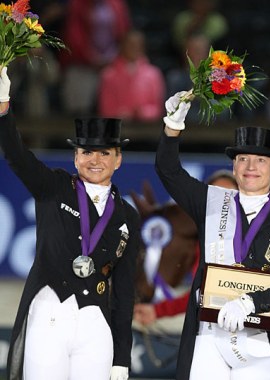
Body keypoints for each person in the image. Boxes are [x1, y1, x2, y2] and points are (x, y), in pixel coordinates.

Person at [155, 92, 270, 379]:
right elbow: (168, 171)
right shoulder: (210, 203)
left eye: (260, 161)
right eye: (243, 159)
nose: (251, 167)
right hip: (210, 335)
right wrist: (173, 125)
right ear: (234, 165)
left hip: (262, 341)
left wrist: (251, 302)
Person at [0, 67, 140, 380]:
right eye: (87, 151)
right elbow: (17, 156)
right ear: (75, 157)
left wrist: (122, 356)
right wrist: (3, 109)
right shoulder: (55, 187)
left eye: (105, 152)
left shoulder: (128, 216)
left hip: (96, 326)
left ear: (118, 160)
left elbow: (125, 291)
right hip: (50, 314)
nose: (95, 160)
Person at [133, 170, 237, 327]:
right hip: (208, 332)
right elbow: (202, 294)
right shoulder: (199, 247)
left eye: (229, 197)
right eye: (215, 197)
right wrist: (157, 311)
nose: (222, 205)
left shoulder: (257, 242)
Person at [98, 29, 167, 122]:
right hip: (118, 128)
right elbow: (105, 109)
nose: (134, 48)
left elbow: (158, 107)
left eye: (138, 45)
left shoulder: (154, 74)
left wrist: (144, 112)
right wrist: (123, 113)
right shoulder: (108, 75)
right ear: (122, 46)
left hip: (148, 129)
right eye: (130, 44)